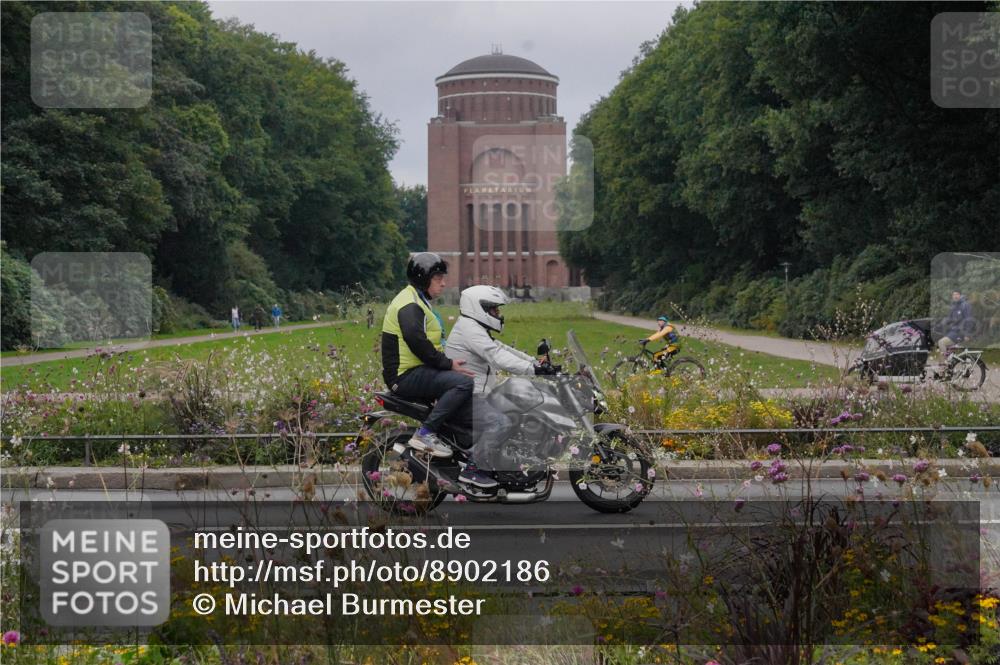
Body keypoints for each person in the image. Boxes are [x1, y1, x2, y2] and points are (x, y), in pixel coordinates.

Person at [446, 285, 552, 488]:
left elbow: (501, 348)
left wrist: (535, 363)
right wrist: (533, 370)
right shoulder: (470, 330)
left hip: (477, 393)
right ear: (479, 308)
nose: (498, 314)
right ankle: (473, 469)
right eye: (494, 309)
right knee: (501, 423)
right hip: (467, 397)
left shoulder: (474, 328)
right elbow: (496, 356)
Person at [381, 252, 475, 460]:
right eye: (438, 278)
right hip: (404, 376)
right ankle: (425, 433)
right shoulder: (410, 305)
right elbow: (417, 342)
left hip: (414, 371)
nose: (443, 283)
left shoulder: (416, 299)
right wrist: (448, 364)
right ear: (423, 278)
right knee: (463, 383)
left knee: (466, 392)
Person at [937, 290, 974, 354]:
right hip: (954, 331)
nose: (955, 296)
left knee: (941, 342)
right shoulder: (954, 306)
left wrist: (967, 334)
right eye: (954, 295)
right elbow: (949, 319)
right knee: (944, 346)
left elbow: (969, 320)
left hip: (961, 332)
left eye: (957, 294)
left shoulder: (965, 305)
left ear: (960, 295)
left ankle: (946, 359)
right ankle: (950, 358)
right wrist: (939, 325)